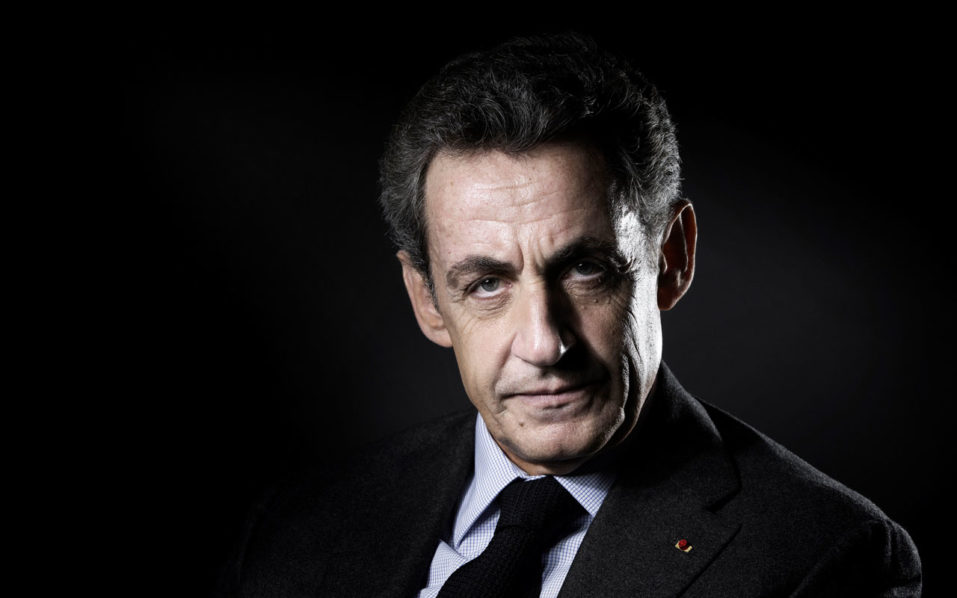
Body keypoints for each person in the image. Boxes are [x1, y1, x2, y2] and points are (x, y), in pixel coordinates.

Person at [216, 33, 921, 597]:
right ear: (427, 299)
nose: (544, 343)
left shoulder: (823, 558)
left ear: (671, 257)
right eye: (486, 284)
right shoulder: (300, 529)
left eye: (585, 269)